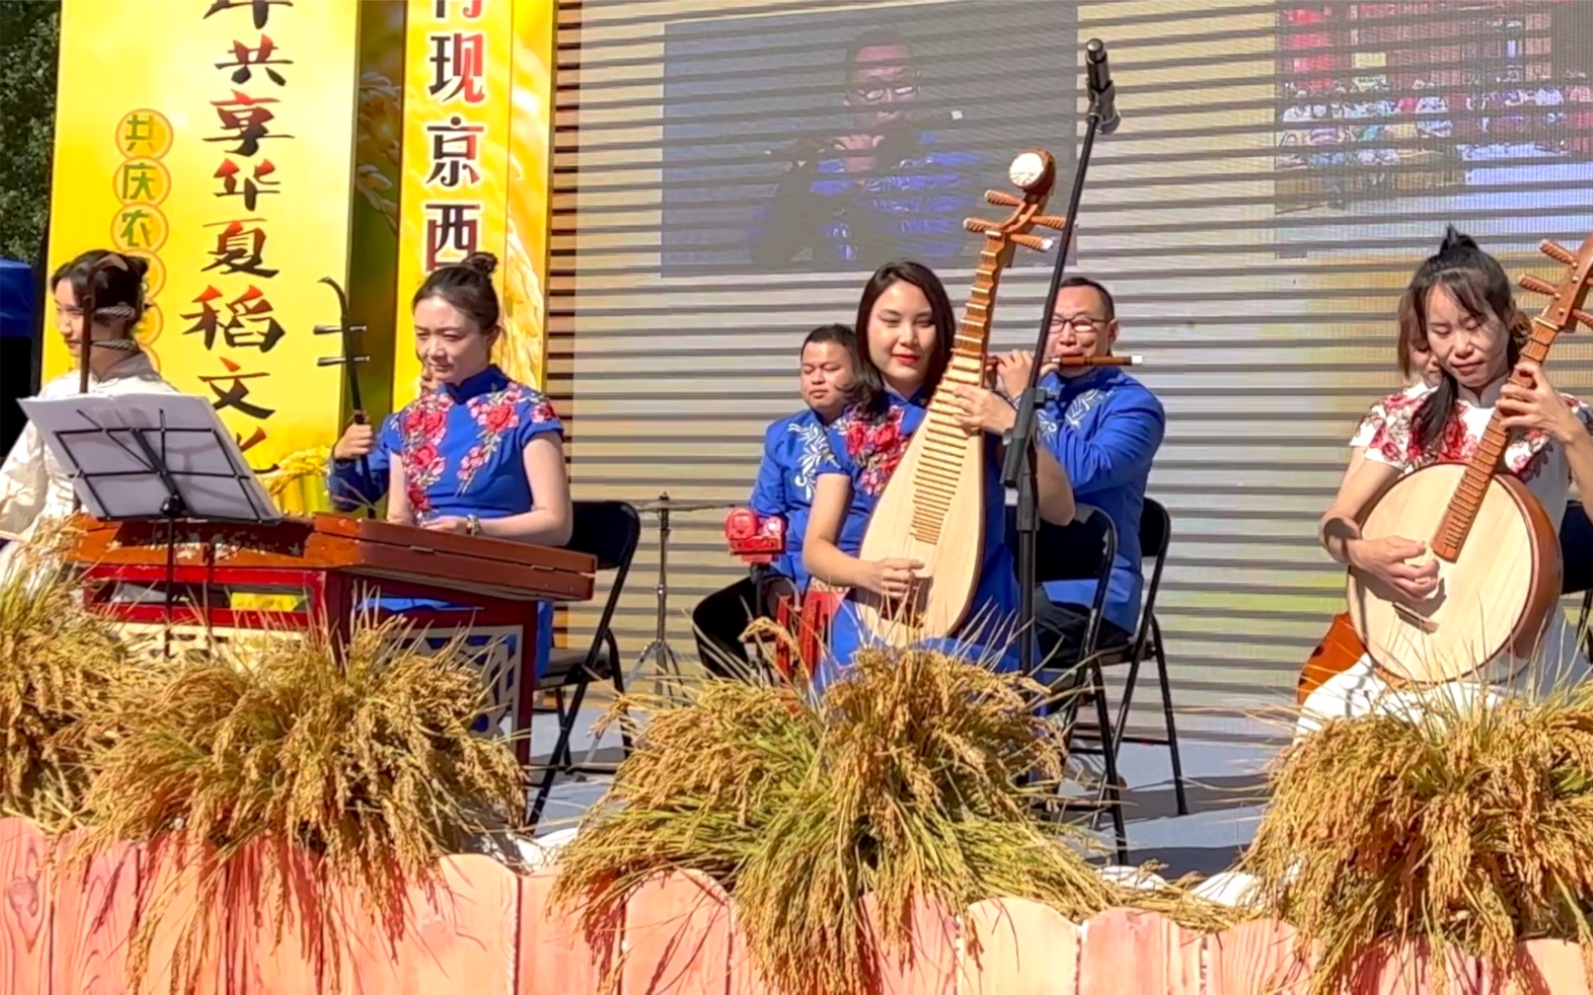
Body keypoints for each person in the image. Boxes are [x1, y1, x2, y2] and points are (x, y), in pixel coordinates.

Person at [1305, 227, 1593, 737]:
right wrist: (1365, 554)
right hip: (1417, 638)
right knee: (1322, 715)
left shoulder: (1564, 416)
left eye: (1474, 324)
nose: (1460, 346)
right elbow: (1336, 521)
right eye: (1441, 331)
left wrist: (1569, 434)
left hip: (1518, 645)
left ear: (1508, 318)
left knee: (1444, 722)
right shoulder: (1403, 416)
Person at [802, 260, 1018, 688]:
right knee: (848, 706)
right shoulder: (848, 428)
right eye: (891, 321)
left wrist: (1014, 423)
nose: (908, 338)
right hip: (874, 615)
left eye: (924, 323)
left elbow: (1060, 508)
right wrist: (867, 574)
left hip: (975, 615)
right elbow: (815, 550)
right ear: (865, 328)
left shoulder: (976, 411)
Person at [954, 277, 1165, 673]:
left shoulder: (1137, 407)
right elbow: (990, 472)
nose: (1067, 337)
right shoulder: (1035, 391)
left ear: (1112, 332)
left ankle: (1027, 729)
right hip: (1020, 575)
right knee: (948, 620)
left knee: (995, 639)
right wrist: (980, 398)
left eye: (1083, 324)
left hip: (1095, 590)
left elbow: (1081, 471)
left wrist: (1020, 405)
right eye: (1056, 323)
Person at [380, 252, 573, 681]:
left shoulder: (528, 412)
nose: (433, 351)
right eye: (423, 335)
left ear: (491, 336)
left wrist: (471, 529)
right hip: (419, 583)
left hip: (498, 593)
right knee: (343, 624)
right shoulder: (407, 421)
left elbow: (556, 523)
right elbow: (399, 519)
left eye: (451, 336)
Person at [692, 324, 863, 676]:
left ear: (860, 371)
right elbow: (766, 514)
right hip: (788, 574)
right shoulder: (783, 434)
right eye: (808, 370)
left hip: (855, 573)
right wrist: (772, 579)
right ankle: (750, 720)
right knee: (711, 618)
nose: (817, 379)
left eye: (830, 369)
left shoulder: (878, 431)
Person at [0, 250, 177, 581]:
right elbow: (19, 485)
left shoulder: (161, 402)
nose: (64, 327)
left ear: (119, 317)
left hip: (124, 565)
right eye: (59, 312)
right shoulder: (58, 392)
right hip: (43, 555)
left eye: (77, 313)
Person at [750, 29, 979, 272]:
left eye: (902, 85)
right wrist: (794, 180)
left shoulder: (953, 167)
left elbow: (934, 256)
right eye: (872, 88)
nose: (890, 100)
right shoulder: (824, 169)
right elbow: (767, 254)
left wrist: (863, 182)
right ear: (848, 100)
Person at [326, 371, 432, 513]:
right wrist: (343, 457)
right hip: (408, 532)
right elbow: (350, 499)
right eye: (425, 363)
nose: (425, 374)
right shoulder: (398, 426)